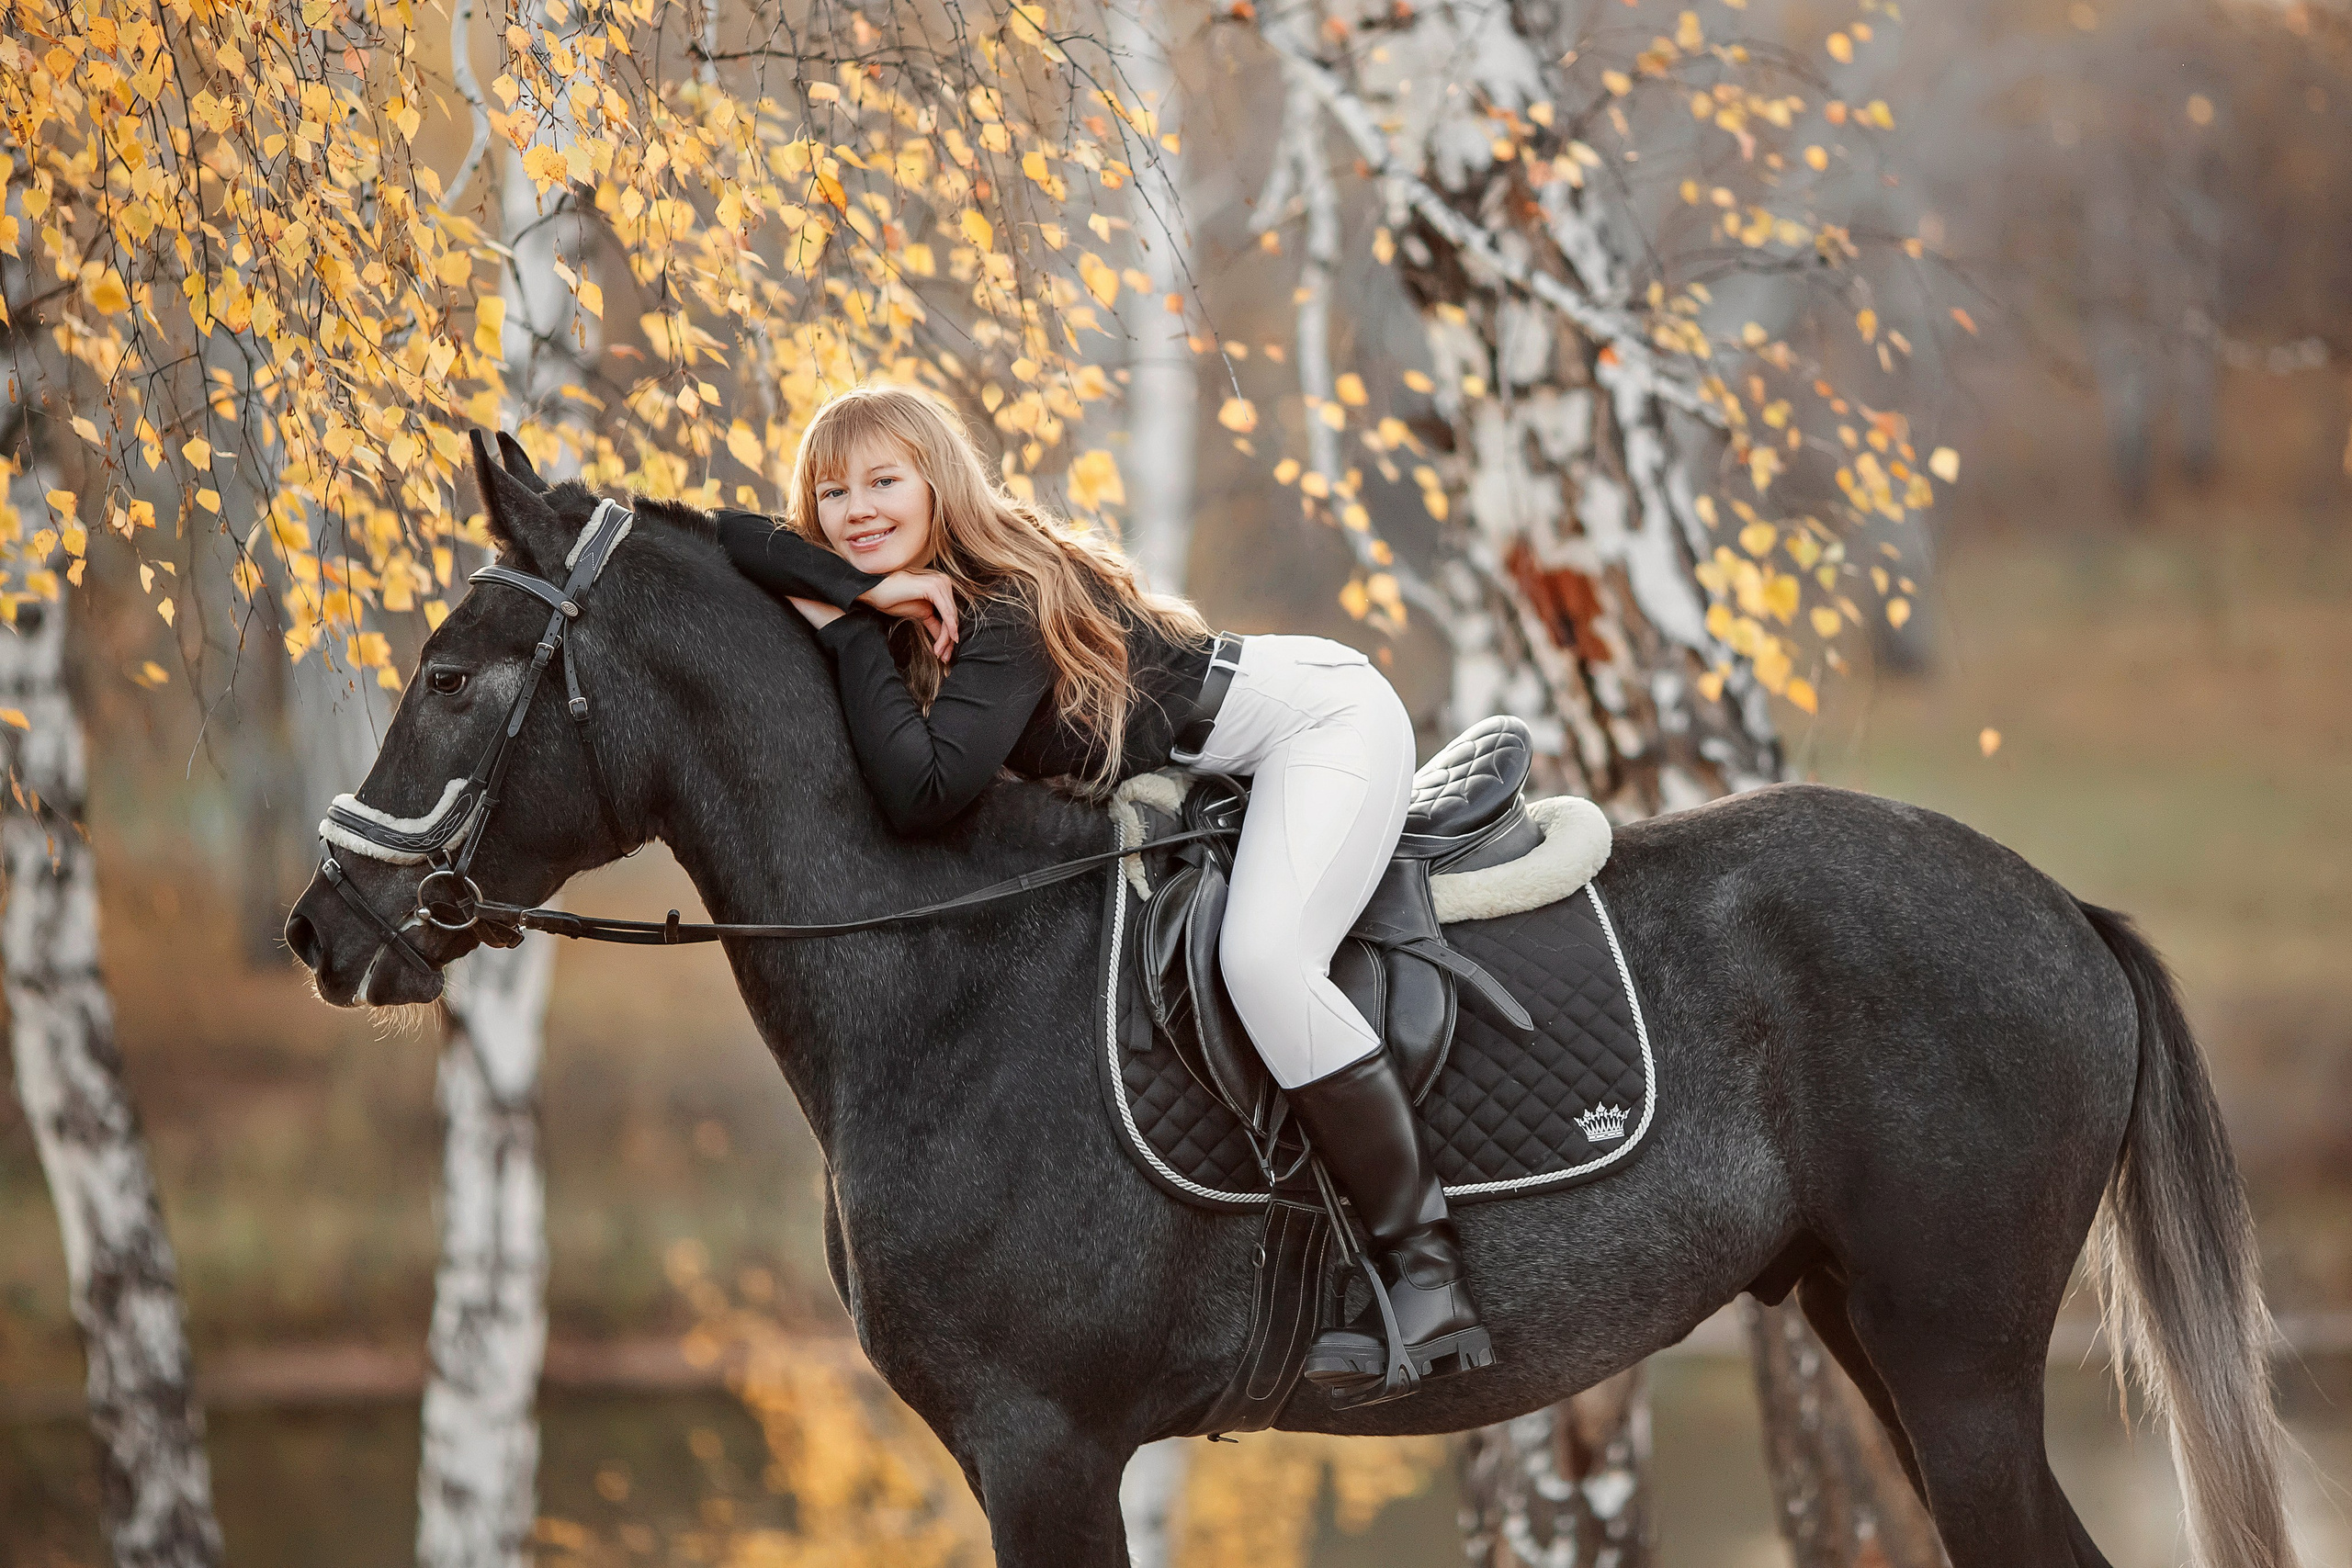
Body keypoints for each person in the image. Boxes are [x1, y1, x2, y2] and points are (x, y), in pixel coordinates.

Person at [718, 384, 1489, 1394]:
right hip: (1232, 754)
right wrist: (864, 596)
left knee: (1263, 959)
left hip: (1318, 723)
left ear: (937, 482)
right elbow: (732, 535)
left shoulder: (1002, 602)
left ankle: (1427, 1275)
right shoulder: (907, 591)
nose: (855, 510)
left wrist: (851, 629)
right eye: (829, 493)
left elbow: (927, 795)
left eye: (882, 481)